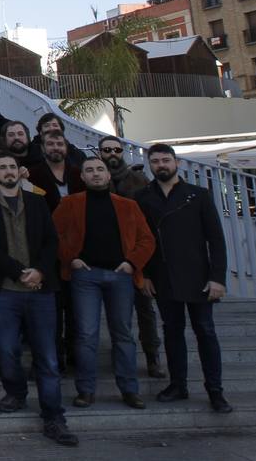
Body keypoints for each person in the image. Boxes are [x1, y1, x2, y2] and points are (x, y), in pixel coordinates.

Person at [0, 152, 76, 446]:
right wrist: (18, 272)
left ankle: (54, 416)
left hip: (39, 290)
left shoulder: (37, 202)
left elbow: (51, 241)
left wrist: (39, 270)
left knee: (47, 357)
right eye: (2, 167)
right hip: (4, 289)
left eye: (12, 167)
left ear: (19, 171)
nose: (7, 171)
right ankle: (15, 392)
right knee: (6, 350)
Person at [52, 153, 155, 410]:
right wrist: (72, 258)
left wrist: (131, 263)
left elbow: (147, 239)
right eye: (90, 170)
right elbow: (54, 235)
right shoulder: (70, 204)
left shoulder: (127, 206)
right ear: (83, 176)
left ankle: (129, 389)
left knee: (122, 334)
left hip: (120, 275)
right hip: (85, 275)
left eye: (100, 169)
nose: (96, 173)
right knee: (86, 334)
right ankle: (85, 390)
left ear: (108, 175)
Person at [136, 144, 231, 412]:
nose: (161, 165)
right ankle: (178, 384)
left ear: (176, 162)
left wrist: (218, 278)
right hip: (163, 277)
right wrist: (144, 276)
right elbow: (141, 241)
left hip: (199, 277)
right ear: (149, 165)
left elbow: (216, 240)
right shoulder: (142, 198)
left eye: (166, 160)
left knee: (206, 331)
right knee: (172, 331)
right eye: (155, 161)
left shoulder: (198, 195)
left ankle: (215, 390)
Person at [99, 135, 164, 378]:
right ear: (100, 153)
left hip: (134, 256)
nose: (112, 154)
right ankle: (121, 356)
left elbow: (148, 222)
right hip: (104, 256)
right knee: (118, 315)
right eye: (107, 150)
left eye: (116, 149)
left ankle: (152, 356)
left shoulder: (139, 181)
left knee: (145, 309)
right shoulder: (93, 178)